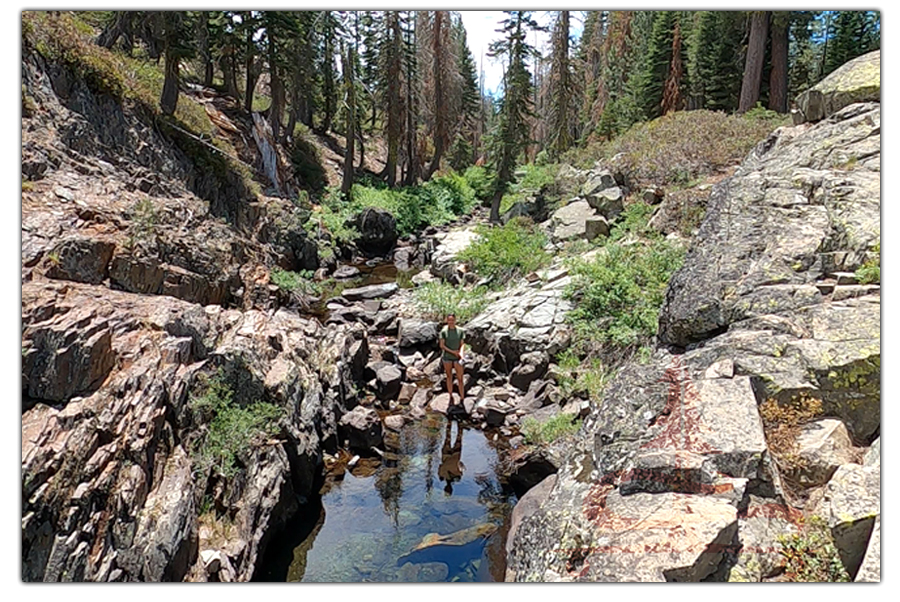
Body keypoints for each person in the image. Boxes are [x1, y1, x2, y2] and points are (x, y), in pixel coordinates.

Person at [439, 313, 465, 406]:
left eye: (452, 320)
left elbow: (462, 344)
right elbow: (442, 346)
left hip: (458, 358)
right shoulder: (444, 331)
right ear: (447, 320)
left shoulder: (460, 331)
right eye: (449, 320)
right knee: (449, 377)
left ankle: (462, 398)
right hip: (447, 357)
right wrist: (453, 352)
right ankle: (450, 396)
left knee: (460, 378)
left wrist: (461, 353)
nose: (451, 322)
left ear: (455, 320)